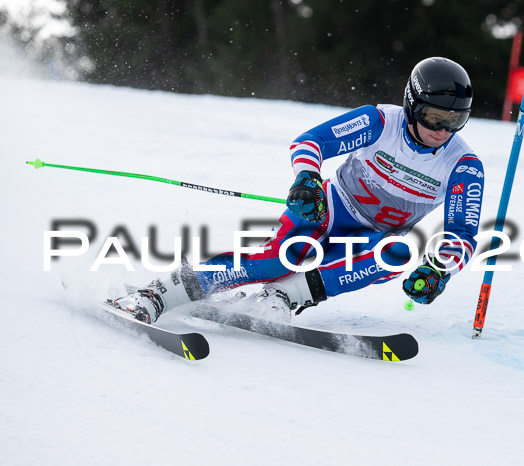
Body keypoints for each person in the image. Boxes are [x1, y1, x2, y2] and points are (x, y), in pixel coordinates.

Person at [109, 56, 484, 324]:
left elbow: (462, 234)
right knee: (277, 260)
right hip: (330, 209)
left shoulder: (462, 165)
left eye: (456, 120)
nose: (443, 130)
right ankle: (158, 293)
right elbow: (311, 142)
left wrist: (439, 270)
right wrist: (306, 178)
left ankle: (284, 296)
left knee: (396, 254)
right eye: (435, 117)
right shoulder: (380, 121)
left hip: (374, 237)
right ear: (412, 104)